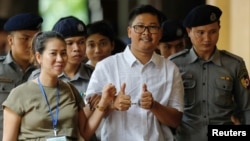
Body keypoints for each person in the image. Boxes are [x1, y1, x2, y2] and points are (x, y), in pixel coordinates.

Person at [85, 4, 184, 141]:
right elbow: (89, 116)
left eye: (152, 27)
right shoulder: (106, 67)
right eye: (140, 27)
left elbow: (176, 120)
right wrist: (112, 104)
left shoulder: (171, 69)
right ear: (129, 31)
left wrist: (154, 106)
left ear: (160, 33)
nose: (146, 32)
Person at [2, 31, 116, 141]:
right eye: (53, 53)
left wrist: (103, 103)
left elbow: (84, 133)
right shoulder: (20, 94)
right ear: (39, 57)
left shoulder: (70, 90)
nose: (60, 59)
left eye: (63, 53)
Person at [169, 4, 250, 141]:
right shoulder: (175, 64)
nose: (207, 38)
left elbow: (247, 108)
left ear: (219, 29)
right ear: (188, 31)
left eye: (213, 32)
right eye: (200, 32)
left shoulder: (234, 64)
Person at [0, 13, 43, 139]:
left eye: (35, 39)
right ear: (10, 40)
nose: (31, 44)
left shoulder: (45, 71)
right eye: (25, 38)